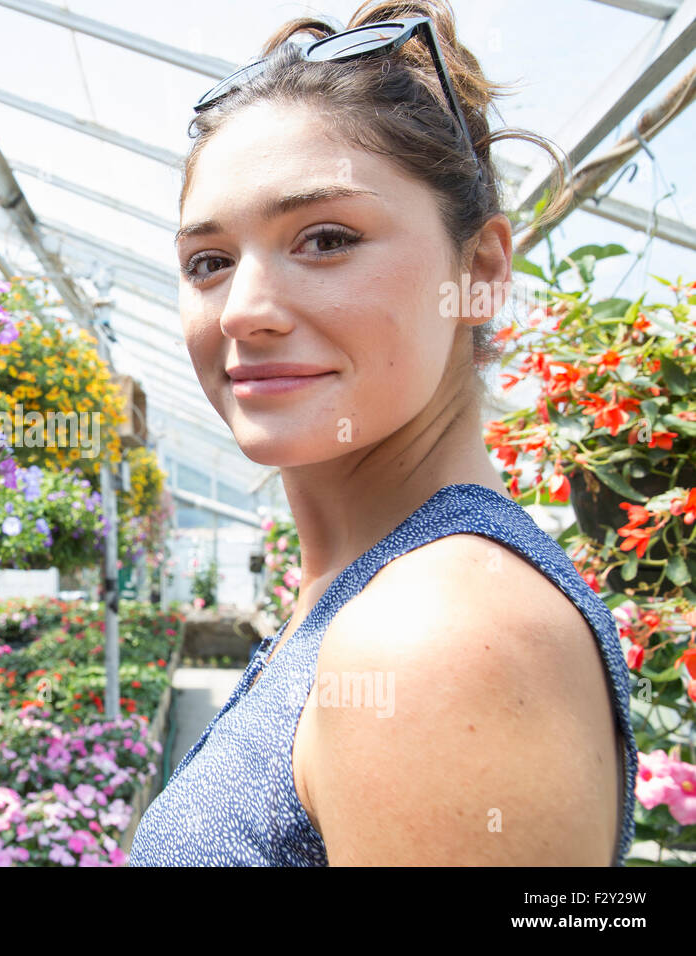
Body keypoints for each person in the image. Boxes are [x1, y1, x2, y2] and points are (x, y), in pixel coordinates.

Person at [127, 0, 638, 866]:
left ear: (478, 272)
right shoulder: (371, 591)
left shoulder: (437, 631)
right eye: (208, 261)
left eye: (326, 239)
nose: (244, 311)